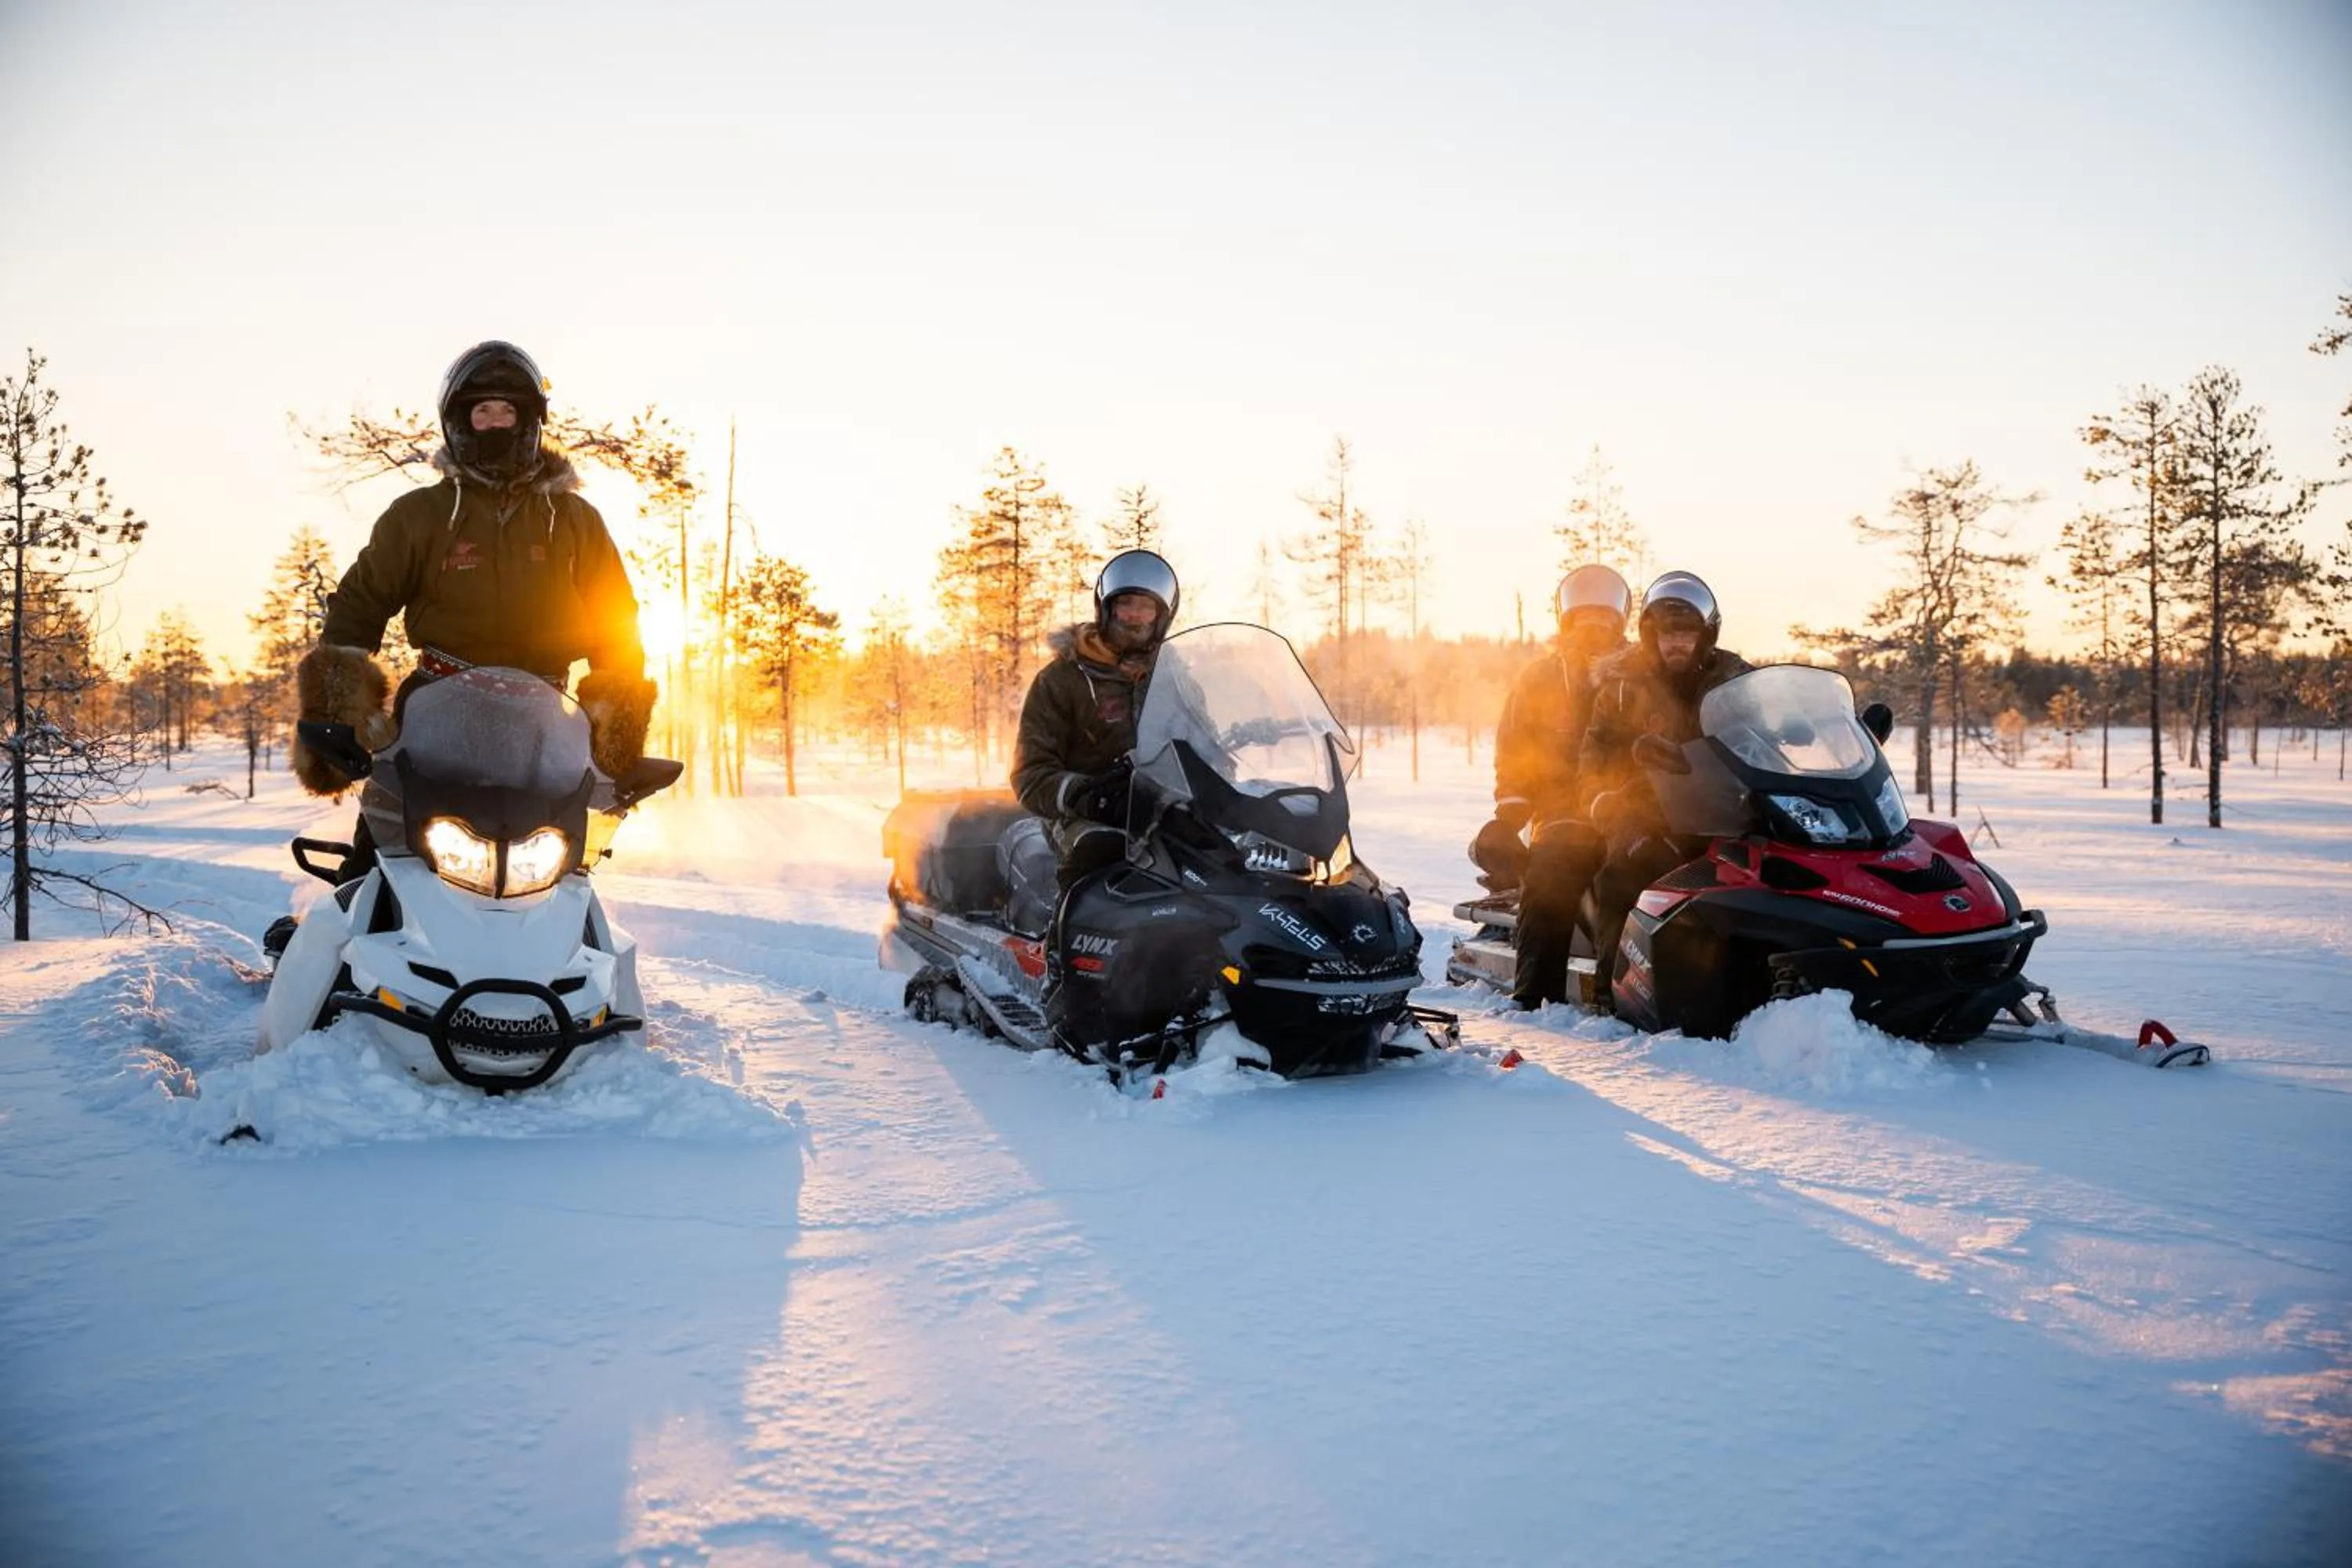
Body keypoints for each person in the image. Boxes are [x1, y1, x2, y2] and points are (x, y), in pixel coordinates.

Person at [267, 342, 655, 955]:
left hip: (543, 715)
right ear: (458, 421)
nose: (496, 424)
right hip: (440, 704)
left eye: (508, 412)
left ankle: (574, 955)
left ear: (531, 422)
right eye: (482, 413)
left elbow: (618, 625)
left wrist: (618, 726)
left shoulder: (576, 521)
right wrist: (334, 706)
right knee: (387, 830)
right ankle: (341, 933)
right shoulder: (420, 516)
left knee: (568, 849)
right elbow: (360, 604)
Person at [1577, 571, 1753, 1007]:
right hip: (1642, 808)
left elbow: (1767, 724)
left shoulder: (1734, 679)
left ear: (1705, 634)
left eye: (1687, 632)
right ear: (1649, 635)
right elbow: (1595, 751)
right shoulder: (1622, 685)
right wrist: (1603, 798)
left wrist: (1806, 730)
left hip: (1724, 807)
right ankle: (1609, 992)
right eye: (1666, 633)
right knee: (1622, 874)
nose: (1676, 642)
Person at [1473, 564, 1632, 1008]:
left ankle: (1630, 993)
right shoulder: (1540, 680)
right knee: (1550, 877)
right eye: (1584, 619)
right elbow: (1516, 753)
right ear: (1567, 622)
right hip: (1563, 810)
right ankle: (1534, 996)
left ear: (1619, 622)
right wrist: (1508, 818)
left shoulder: (1639, 674)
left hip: (1633, 809)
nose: (1594, 629)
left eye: (1603, 619)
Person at [1009, 549, 1179, 892]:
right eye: (1126, 603)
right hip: (1084, 815)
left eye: (1146, 606)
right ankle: (1063, 942)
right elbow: (1031, 774)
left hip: (1165, 810)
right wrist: (1087, 795)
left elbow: (1205, 744)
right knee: (1100, 850)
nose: (1135, 616)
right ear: (1106, 607)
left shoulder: (1174, 677)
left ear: (1162, 615)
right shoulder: (1062, 679)